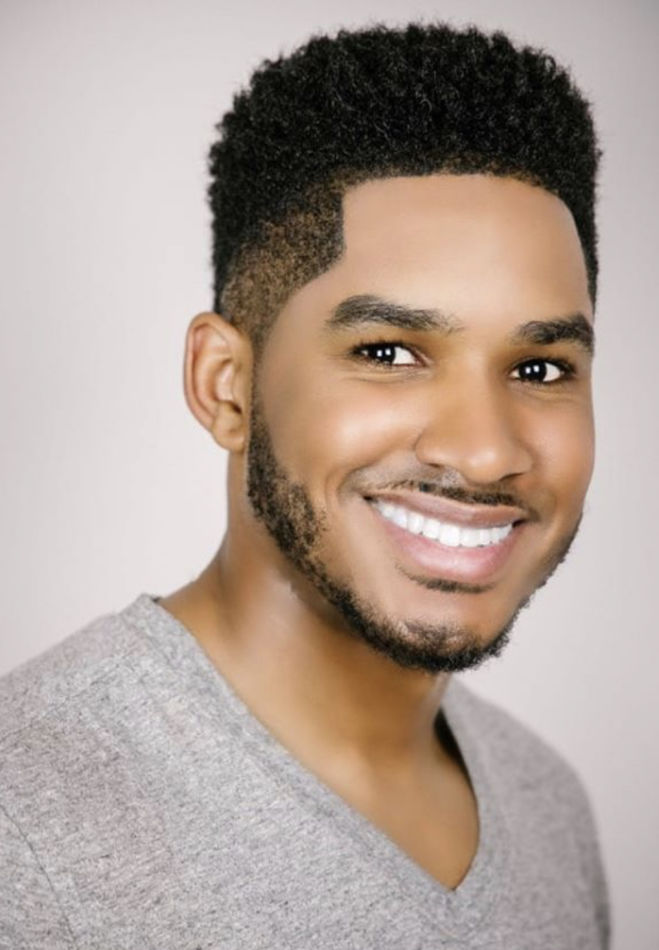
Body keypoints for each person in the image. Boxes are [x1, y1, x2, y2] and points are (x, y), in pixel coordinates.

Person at [0, 21, 609, 949]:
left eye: (539, 368)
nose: (486, 452)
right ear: (226, 385)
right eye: (388, 352)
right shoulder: (25, 821)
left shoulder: (548, 807)